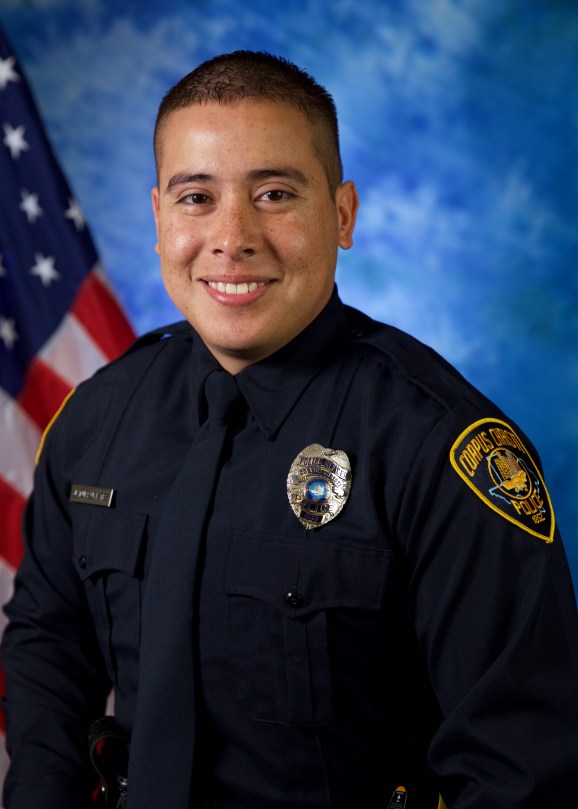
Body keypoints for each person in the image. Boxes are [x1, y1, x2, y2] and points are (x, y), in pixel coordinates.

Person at [2, 50, 578, 809]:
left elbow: (518, 773)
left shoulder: (439, 447)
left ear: (342, 215)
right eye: (196, 197)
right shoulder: (96, 418)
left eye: (274, 193)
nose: (232, 236)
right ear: (159, 218)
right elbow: (48, 653)